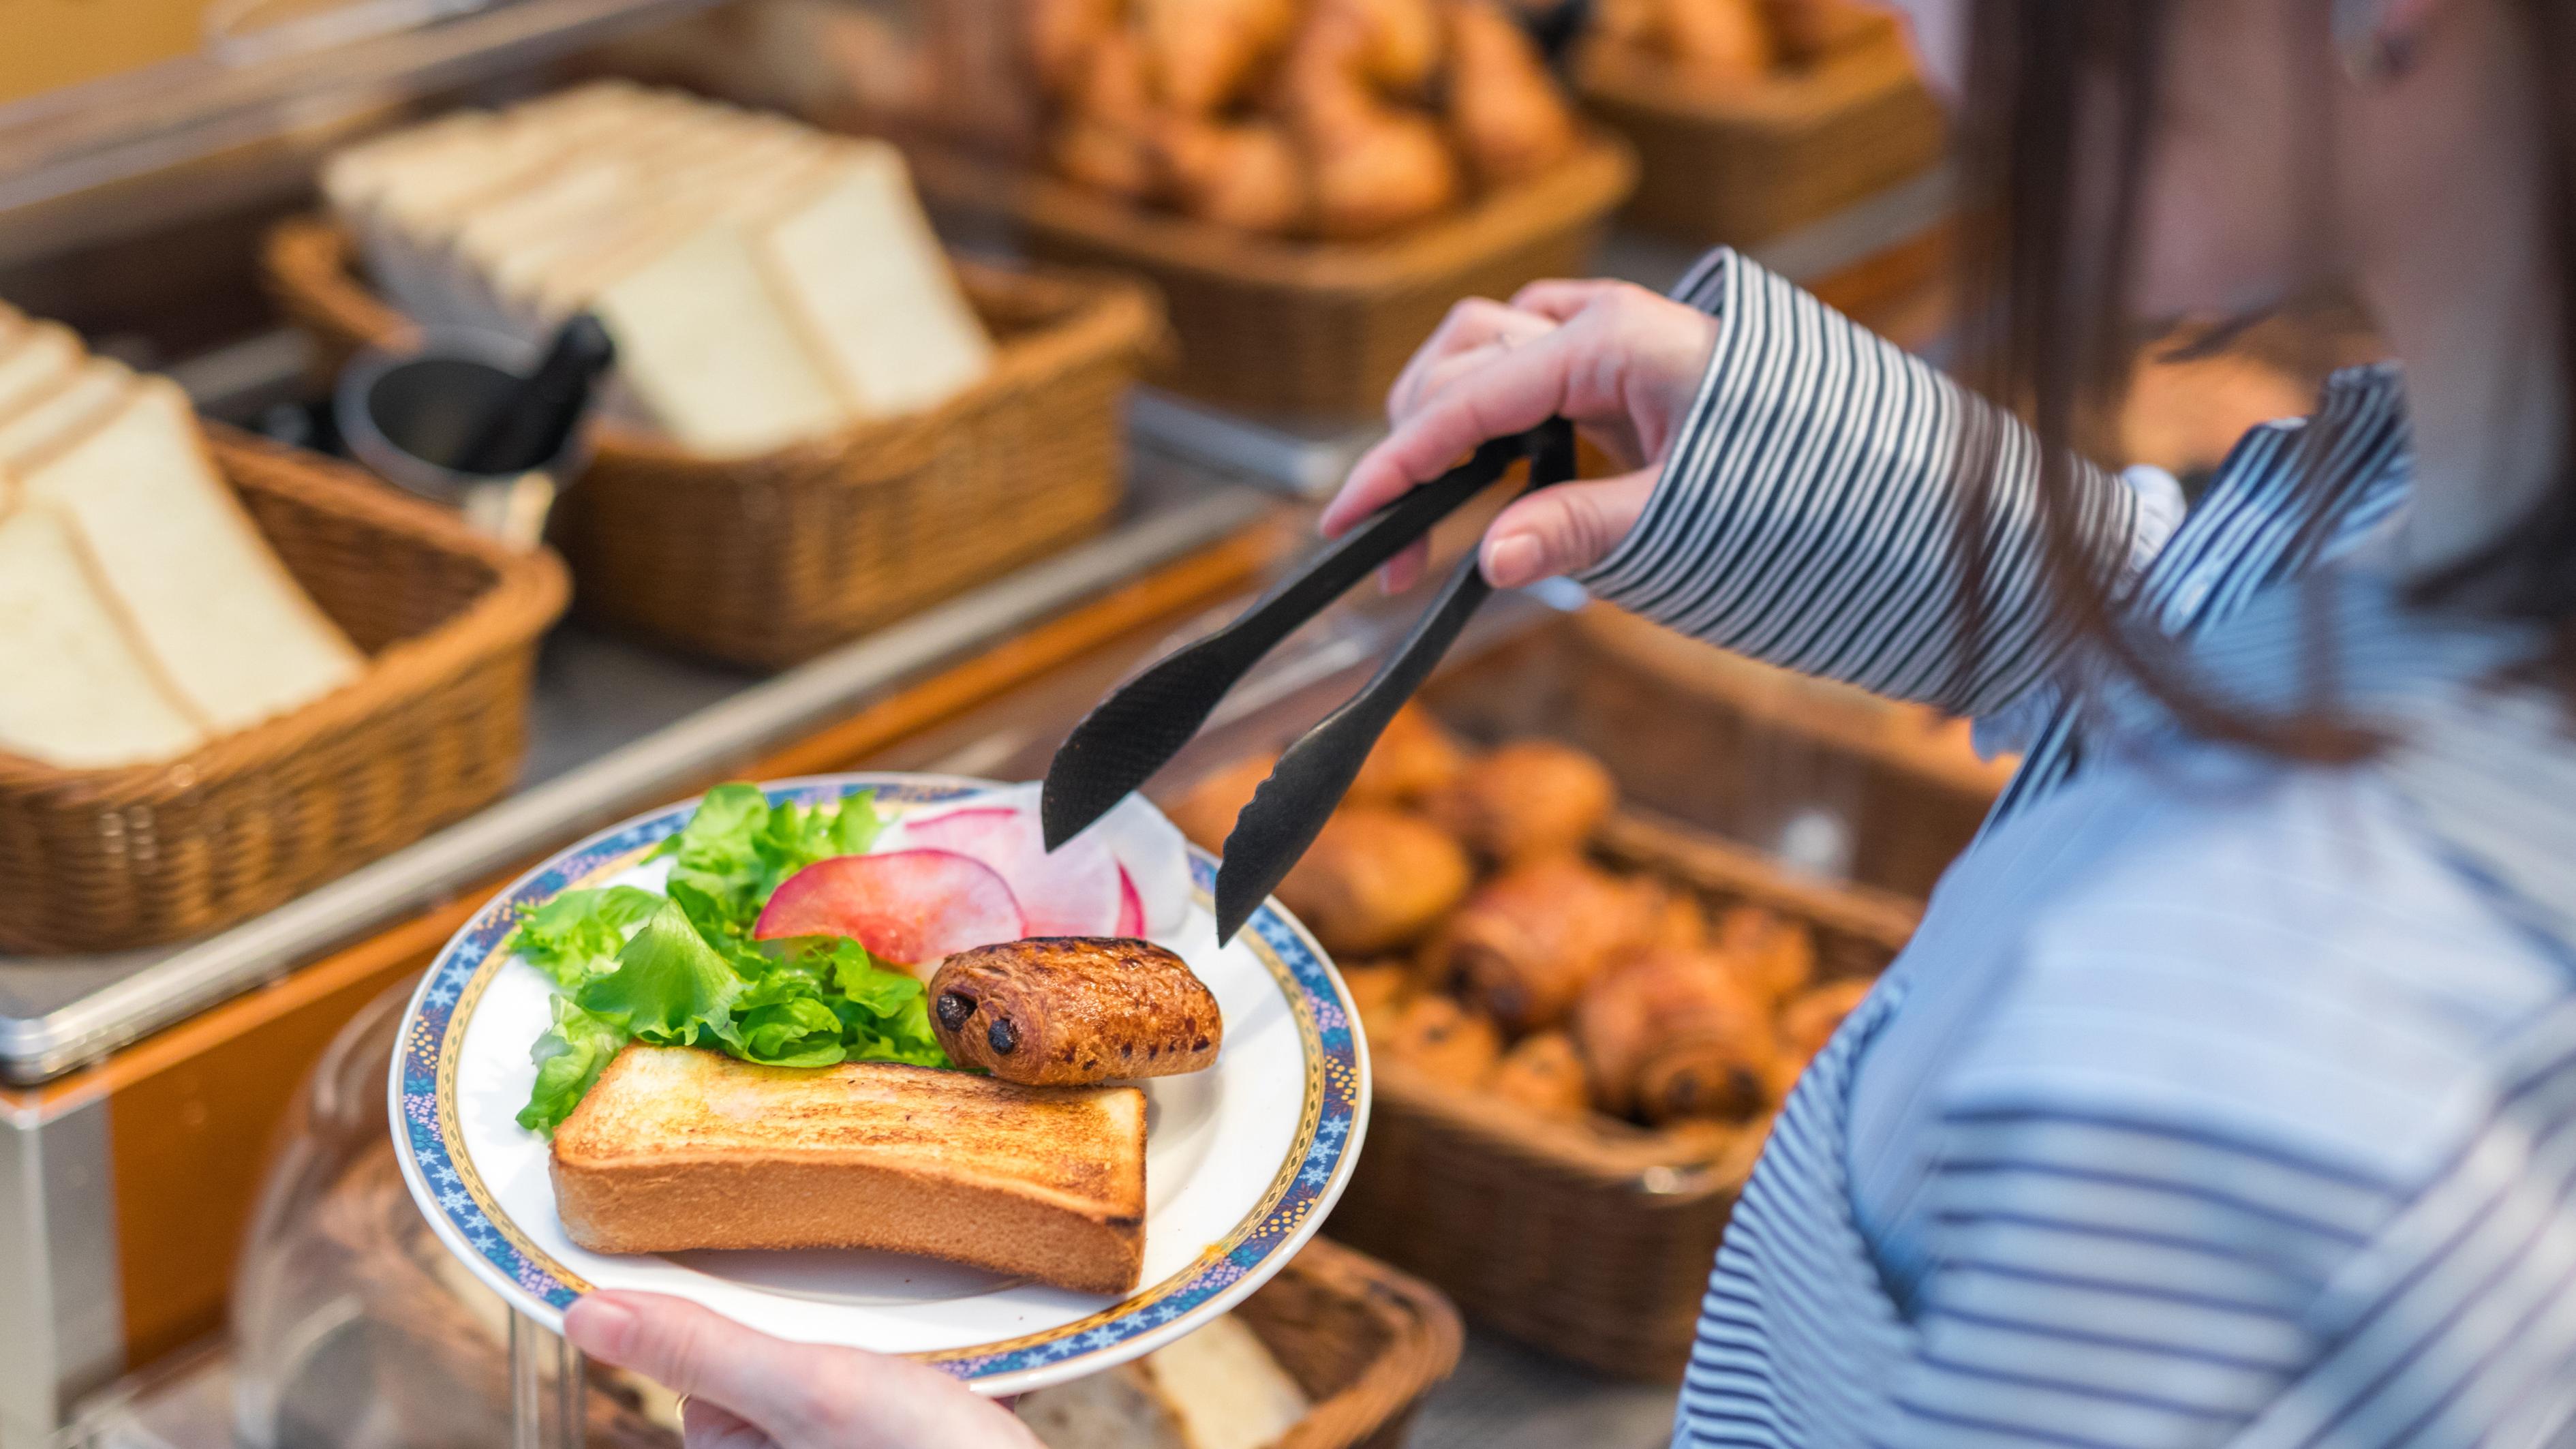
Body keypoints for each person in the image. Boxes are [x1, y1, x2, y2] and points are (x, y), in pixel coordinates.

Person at [567, 0, 2576, 1442]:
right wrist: (1811, 476)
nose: (1900, 30)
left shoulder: (2216, 1089)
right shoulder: (2479, 501)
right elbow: (2290, 619)